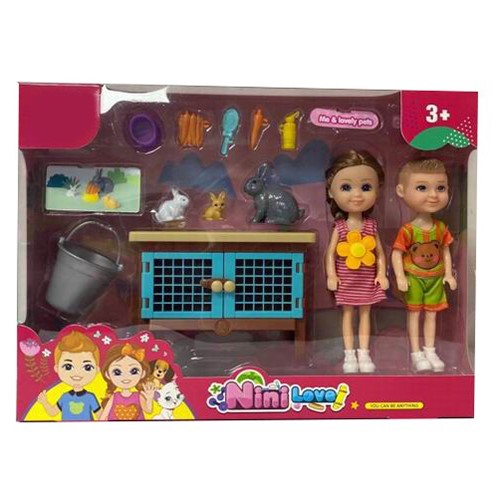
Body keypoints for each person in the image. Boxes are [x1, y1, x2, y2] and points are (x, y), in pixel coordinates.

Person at [325, 150, 389, 373]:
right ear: (331, 191)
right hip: (346, 280)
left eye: (366, 187)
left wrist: (381, 273)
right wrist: (331, 275)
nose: (357, 195)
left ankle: (364, 353)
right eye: (346, 187)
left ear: (377, 190)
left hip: (367, 281)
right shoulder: (340, 227)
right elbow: (330, 254)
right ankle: (349, 355)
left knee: (365, 314)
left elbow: (380, 253)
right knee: (347, 314)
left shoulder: (371, 225)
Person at [391, 158, 457, 372]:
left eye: (441, 188)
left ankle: (430, 350)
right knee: (414, 314)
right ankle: (415, 353)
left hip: (435, 279)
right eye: (422, 188)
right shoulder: (408, 230)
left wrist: (449, 274)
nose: (433, 195)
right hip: (414, 280)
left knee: (431, 314)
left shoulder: (441, 227)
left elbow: (445, 250)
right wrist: (400, 277)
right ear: (401, 191)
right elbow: (396, 253)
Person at [37, 330, 101, 421]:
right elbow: (53, 412)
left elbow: (101, 416)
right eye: (68, 366)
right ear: (57, 368)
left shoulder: (90, 397)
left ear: (97, 370)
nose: (77, 373)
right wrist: (44, 402)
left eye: (87, 367)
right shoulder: (65, 397)